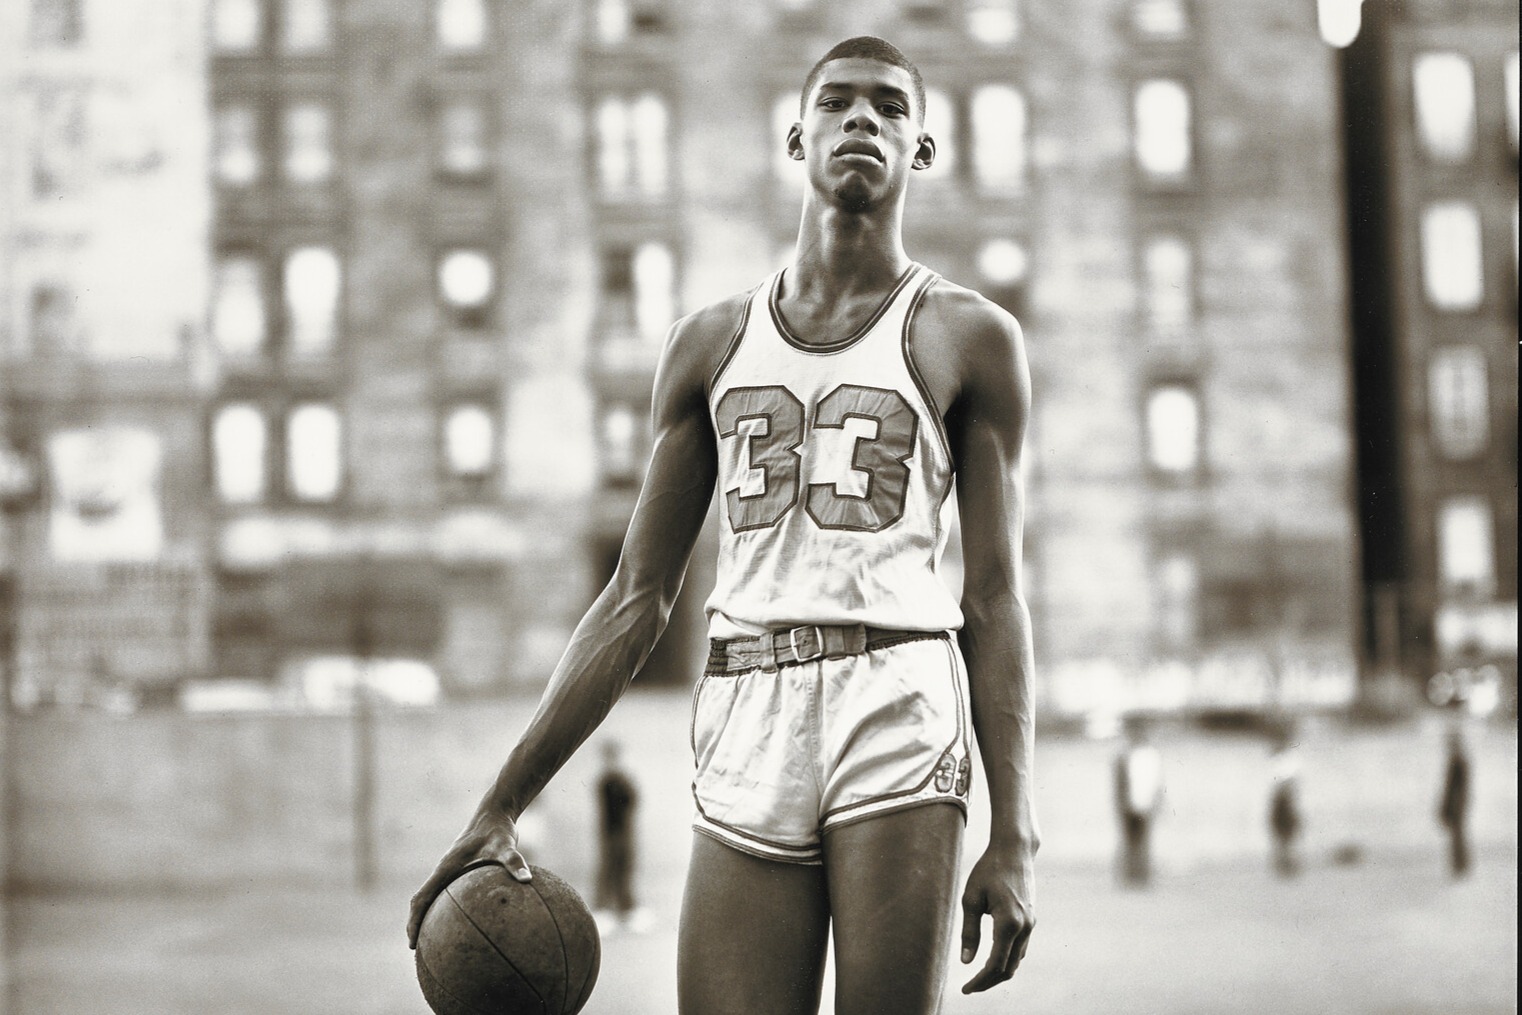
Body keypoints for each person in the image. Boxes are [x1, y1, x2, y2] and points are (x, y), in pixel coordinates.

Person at [408, 36, 1038, 1014]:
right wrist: (501, 800)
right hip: (748, 702)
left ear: (921, 147)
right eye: (836, 103)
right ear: (796, 135)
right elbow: (633, 598)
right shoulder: (708, 344)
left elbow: (993, 597)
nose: (860, 120)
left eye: (887, 106)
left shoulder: (970, 336)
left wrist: (1015, 832)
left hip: (897, 693)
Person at [593, 740, 647, 930]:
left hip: (623, 833)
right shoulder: (607, 781)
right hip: (612, 833)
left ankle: (626, 911)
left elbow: (633, 800)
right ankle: (603, 910)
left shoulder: (621, 780)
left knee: (624, 870)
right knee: (609, 870)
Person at [1113, 717, 1163, 886]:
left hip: (1145, 803)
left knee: (1143, 841)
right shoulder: (1126, 755)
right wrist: (1121, 802)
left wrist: (1158, 802)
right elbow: (1119, 781)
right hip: (1130, 803)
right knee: (1130, 841)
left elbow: (1157, 782)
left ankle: (1142, 876)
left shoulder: (1150, 754)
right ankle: (1130, 876)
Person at [1267, 724, 1302, 877]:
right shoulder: (1277, 759)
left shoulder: (1289, 759)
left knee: (1287, 833)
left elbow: (1290, 783)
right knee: (1280, 832)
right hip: (1279, 800)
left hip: (1285, 800)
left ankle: (1288, 862)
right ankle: (1283, 861)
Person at [1437, 724, 1471, 878]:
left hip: (1456, 803)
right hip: (1455, 802)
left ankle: (1460, 866)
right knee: (1457, 835)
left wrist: (1455, 805)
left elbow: (1459, 787)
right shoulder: (1457, 760)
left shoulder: (1459, 761)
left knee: (1457, 835)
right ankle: (1460, 865)